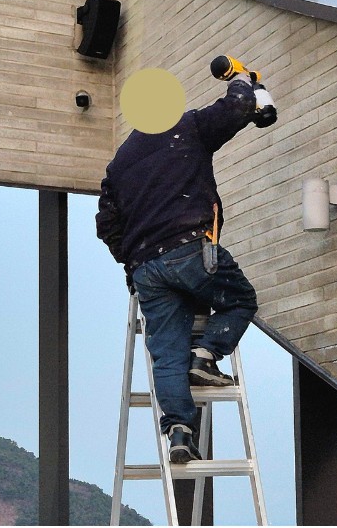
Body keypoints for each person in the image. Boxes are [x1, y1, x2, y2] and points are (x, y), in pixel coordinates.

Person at [96, 68, 267, 464]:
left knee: (167, 353)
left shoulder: (120, 163)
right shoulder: (187, 127)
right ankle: (206, 358)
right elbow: (236, 107)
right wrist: (243, 79)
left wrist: (134, 263)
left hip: (146, 270)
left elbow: (107, 224)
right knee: (240, 299)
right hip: (190, 249)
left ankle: (179, 432)